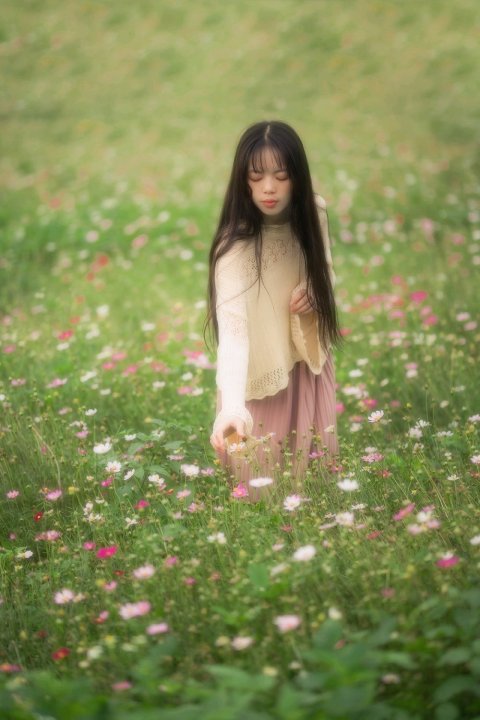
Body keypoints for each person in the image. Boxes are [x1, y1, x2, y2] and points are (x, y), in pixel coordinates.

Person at [206, 120, 341, 501]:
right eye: (257, 176)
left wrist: (317, 291)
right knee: (261, 500)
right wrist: (233, 408)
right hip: (258, 386)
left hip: (310, 367)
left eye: (281, 176)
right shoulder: (234, 250)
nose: (268, 188)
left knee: (319, 492)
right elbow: (233, 335)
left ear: (297, 177)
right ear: (243, 181)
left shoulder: (313, 214)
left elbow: (325, 271)